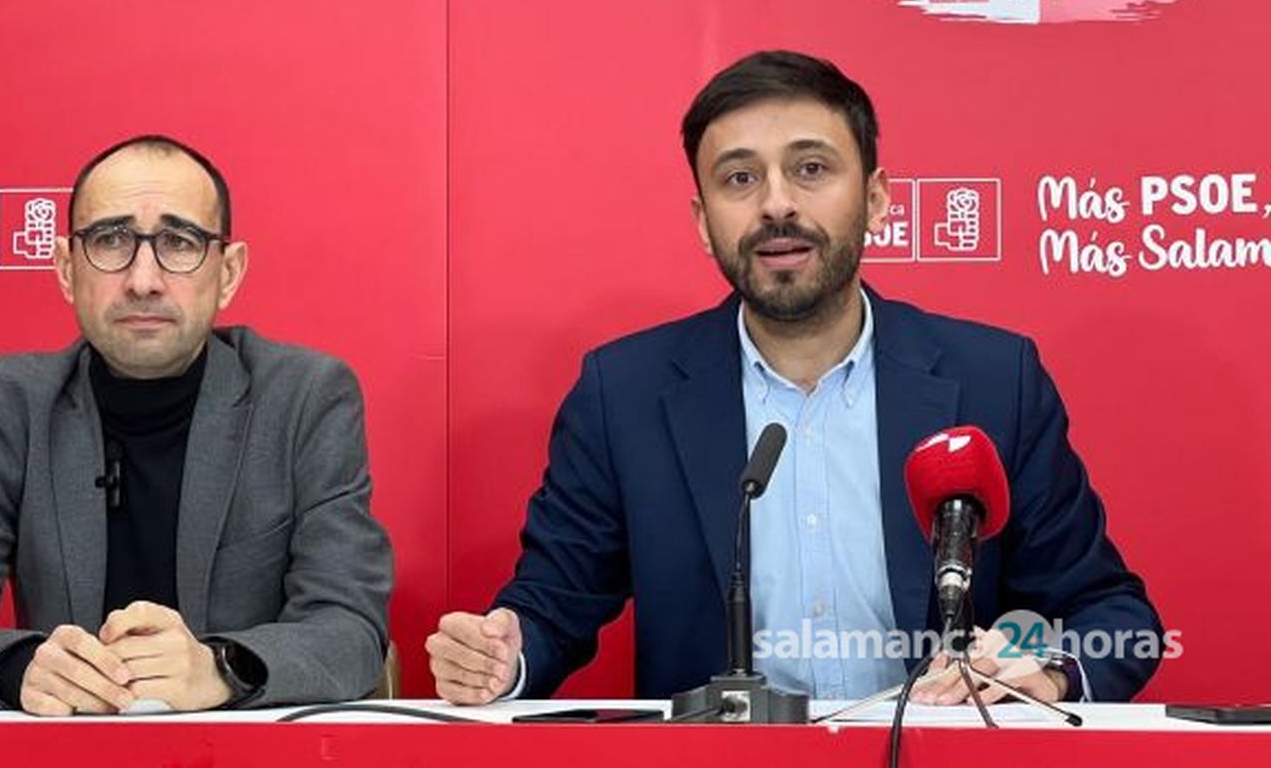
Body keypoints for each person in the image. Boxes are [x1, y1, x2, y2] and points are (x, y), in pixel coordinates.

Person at [426, 51, 1162, 706]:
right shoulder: (624, 394)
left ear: (875, 197)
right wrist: (503, 654)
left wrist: (1043, 664)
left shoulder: (994, 379)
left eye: (811, 169)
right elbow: (551, 606)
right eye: (740, 178)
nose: (777, 203)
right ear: (702, 219)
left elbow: (1109, 614)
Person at [0, 135, 392, 714]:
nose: (142, 279)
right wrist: (24, 668)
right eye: (110, 240)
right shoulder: (14, 402)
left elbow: (351, 631)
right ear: (66, 269)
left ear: (228, 272)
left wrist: (220, 668)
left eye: (178, 242)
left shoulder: (304, 397)